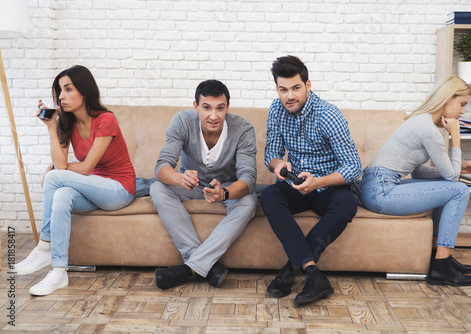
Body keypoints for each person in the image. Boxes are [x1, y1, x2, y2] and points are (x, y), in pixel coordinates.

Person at [14, 65, 136, 295]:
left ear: (84, 90)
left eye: (68, 89)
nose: (61, 96)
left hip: (119, 190)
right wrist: (52, 127)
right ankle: (59, 271)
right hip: (93, 188)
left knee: (54, 177)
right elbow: (62, 165)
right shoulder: (68, 124)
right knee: (61, 194)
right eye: (60, 90)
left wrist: (54, 170)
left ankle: (44, 245)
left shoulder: (106, 119)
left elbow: (86, 166)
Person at [260, 56, 362, 307]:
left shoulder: (328, 115)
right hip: (295, 183)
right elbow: (270, 155)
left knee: (347, 204)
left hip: (327, 185)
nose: (289, 96)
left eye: (296, 88)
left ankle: (289, 270)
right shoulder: (276, 109)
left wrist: (317, 182)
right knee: (269, 196)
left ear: (308, 85)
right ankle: (314, 275)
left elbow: (353, 167)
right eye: (283, 89)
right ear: (277, 89)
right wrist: (279, 165)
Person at [359, 75, 471, 287]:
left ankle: (438, 257)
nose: (462, 111)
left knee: (451, 188)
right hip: (380, 191)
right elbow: (451, 176)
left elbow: (418, 173)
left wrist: (458, 169)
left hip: (377, 186)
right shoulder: (428, 129)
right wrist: (456, 137)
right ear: (447, 98)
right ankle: (441, 266)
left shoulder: (422, 121)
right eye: (462, 104)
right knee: (459, 190)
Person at [150, 80, 257, 289]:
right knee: (157, 188)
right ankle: (204, 264)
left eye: (220, 108)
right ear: (196, 106)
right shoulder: (182, 121)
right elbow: (162, 167)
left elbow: (249, 179)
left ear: (227, 107)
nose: (213, 116)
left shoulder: (243, 130)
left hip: (226, 187)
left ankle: (189, 269)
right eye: (206, 108)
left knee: (250, 201)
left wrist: (224, 193)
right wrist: (179, 178)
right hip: (190, 185)